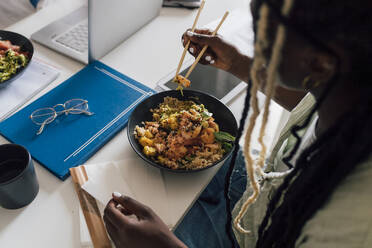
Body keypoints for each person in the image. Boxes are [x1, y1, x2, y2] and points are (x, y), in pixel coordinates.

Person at [103, 0, 372, 247]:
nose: (254, 41)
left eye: (264, 33)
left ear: (322, 63)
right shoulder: (346, 90)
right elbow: (308, 99)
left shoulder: (350, 226)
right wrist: (237, 63)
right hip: (261, 203)